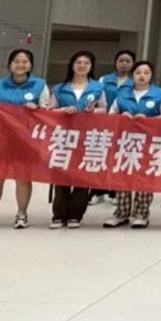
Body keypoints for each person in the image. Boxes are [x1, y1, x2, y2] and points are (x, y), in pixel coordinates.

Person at [0, 49, 51, 230]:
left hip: (26, 140)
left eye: (25, 62)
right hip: (1, 139)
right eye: (16, 61)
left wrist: (37, 109)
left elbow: (48, 112)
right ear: (10, 64)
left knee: (23, 177)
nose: (20, 65)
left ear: (31, 65)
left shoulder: (40, 85)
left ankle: (21, 213)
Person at [104, 61, 161, 229]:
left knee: (144, 178)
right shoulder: (122, 94)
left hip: (149, 143)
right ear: (132, 75)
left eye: (146, 73)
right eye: (138, 72)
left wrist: (149, 120)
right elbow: (111, 114)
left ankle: (141, 213)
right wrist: (121, 117)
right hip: (125, 142)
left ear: (151, 75)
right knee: (122, 177)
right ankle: (121, 213)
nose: (142, 76)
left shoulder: (160, 94)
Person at [47, 50, 106, 229]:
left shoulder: (98, 88)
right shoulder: (59, 88)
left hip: (88, 136)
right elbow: (49, 111)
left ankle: (75, 215)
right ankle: (59, 215)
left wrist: (93, 111)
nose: (82, 66)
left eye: (86, 63)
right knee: (62, 174)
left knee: (82, 176)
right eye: (78, 62)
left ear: (91, 67)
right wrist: (63, 111)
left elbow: (105, 109)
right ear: (72, 65)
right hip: (64, 136)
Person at [95, 49, 136, 206]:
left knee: (119, 158)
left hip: (126, 125)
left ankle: (115, 192)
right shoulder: (104, 79)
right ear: (115, 62)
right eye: (121, 60)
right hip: (104, 124)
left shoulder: (135, 81)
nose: (124, 64)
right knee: (102, 157)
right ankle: (98, 192)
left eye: (128, 61)